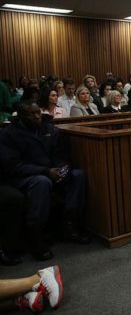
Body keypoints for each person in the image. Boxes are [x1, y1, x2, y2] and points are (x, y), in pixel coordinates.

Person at [0, 102, 90, 261]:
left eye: (38, 113)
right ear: (20, 117)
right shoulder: (9, 134)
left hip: (52, 170)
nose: (36, 116)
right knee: (42, 182)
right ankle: (35, 234)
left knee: (78, 175)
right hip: (24, 176)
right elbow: (12, 166)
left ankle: (69, 224)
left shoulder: (49, 129)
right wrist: (46, 171)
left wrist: (62, 168)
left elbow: (60, 154)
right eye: (31, 114)